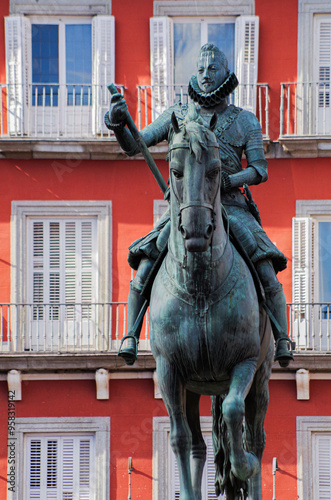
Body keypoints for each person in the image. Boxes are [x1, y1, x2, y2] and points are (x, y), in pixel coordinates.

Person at [105, 43, 294, 368]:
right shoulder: (177, 115)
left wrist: (230, 182)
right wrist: (119, 122)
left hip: (232, 206)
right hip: (187, 207)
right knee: (149, 259)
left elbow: (260, 170)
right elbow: (135, 145)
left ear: (226, 75)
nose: (206, 75)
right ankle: (131, 334)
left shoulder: (245, 120)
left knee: (264, 267)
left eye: (213, 69)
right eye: (202, 69)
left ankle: (282, 339)